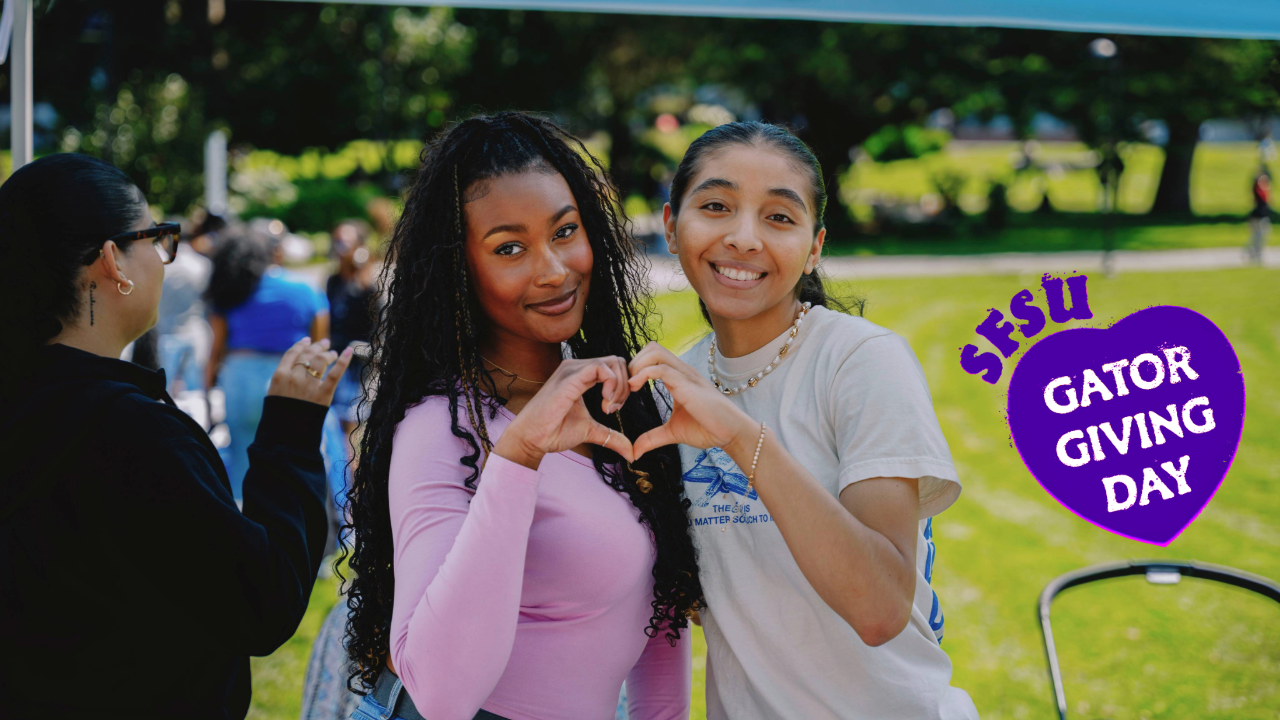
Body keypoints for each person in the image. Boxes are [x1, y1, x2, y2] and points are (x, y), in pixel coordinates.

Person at [342, 112, 701, 720]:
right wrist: (519, 457)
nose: (554, 270)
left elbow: (661, 613)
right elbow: (441, 694)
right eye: (509, 248)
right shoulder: (442, 429)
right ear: (459, 270)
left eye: (565, 231)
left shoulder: (620, 397)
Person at [623, 122, 980, 719]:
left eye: (779, 218)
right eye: (716, 206)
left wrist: (738, 436)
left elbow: (880, 609)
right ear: (670, 225)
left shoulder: (861, 363)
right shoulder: (670, 394)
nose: (743, 238)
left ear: (814, 248)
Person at [0, 153, 353, 718]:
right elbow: (263, 601)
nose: (166, 259)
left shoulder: (30, 402)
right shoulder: (129, 433)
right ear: (114, 260)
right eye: (158, 238)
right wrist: (289, 432)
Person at [205, 228, 347, 503]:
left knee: (242, 461)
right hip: (292, 376)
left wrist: (207, 387)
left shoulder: (232, 289)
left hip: (240, 378)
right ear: (277, 252)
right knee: (296, 460)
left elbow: (216, 349)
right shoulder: (305, 288)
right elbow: (321, 347)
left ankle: (245, 533)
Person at [325, 218, 378, 463]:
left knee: (350, 432)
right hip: (332, 363)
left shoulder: (368, 284)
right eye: (336, 241)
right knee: (333, 430)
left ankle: (350, 492)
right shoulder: (332, 281)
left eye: (345, 242)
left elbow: (379, 331)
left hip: (356, 367)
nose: (339, 247)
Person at [1249, 167, 1271, 264]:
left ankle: (1253, 252)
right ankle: (1255, 254)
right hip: (1258, 216)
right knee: (1258, 236)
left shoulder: (1264, 189)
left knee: (1259, 236)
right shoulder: (1258, 190)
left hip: (1261, 215)